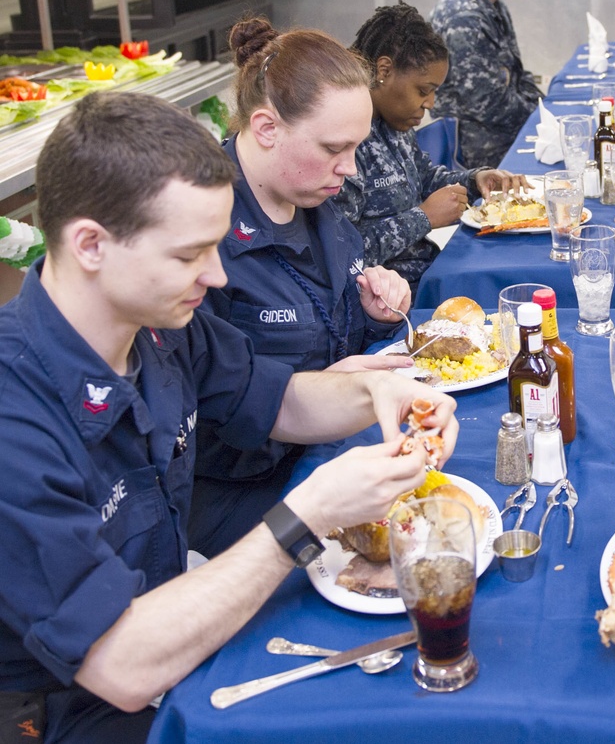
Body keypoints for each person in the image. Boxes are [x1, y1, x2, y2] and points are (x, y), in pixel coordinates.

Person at [0, 91, 458, 744]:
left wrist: (382, 396)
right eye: (189, 255)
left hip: (164, 634)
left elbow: (278, 400)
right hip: (63, 707)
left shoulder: (159, 327)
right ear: (91, 245)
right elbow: (120, 664)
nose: (216, 276)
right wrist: (306, 515)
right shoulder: (15, 415)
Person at [189, 17, 416, 558]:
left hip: (328, 444)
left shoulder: (315, 196)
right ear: (267, 128)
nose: (350, 168)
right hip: (244, 491)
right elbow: (213, 406)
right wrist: (324, 388)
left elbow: (321, 320)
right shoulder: (201, 238)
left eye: (357, 147)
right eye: (335, 147)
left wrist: (372, 313)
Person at [338, 2, 527, 291]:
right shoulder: (343, 142)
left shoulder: (394, 122)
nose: (431, 104)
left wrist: (476, 179)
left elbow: (423, 177)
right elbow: (342, 255)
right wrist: (423, 218)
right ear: (384, 70)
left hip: (427, 272)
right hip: (390, 299)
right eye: (423, 91)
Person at [430, 0, 543, 168]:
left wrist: (543, 108)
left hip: (504, 141)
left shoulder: (492, 6)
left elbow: (516, 75)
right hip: (480, 159)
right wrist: (541, 117)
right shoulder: (462, 16)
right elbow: (488, 103)